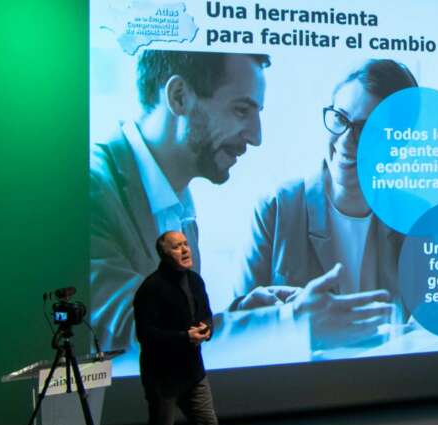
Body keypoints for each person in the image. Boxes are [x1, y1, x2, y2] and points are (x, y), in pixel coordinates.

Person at [91, 49, 389, 365]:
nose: (257, 136)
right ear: (179, 97)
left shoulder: (177, 202)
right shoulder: (89, 190)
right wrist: (289, 325)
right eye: (241, 110)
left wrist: (243, 316)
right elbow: (134, 328)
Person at [233, 59, 417, 349]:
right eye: (340, 118)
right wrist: (291, 323)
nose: (346, 141)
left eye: (367, 130)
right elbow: (236, 334)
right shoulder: (277, 208)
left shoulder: (416, 219)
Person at [133, 230, 256, 425]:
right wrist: (183, 337)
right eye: (177, 247)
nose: (185, 250)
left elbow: (206, 313)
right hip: (162, 375)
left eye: (186, 244)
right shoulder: (151, 288)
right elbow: (146, 334)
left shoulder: (195, 280)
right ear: (165, 254)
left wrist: (206, 329)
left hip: (193, 372)